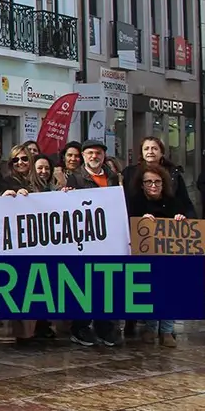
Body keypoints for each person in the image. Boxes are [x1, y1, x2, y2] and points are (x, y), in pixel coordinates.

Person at [60, 140, 120, 348]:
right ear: (84, 156)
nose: (94, 157)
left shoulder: (113, 178)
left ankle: (105, 326)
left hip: (108, 240)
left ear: (104, 156)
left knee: (106, 282)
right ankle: (81, 327)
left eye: (99, 153)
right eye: (90, 153)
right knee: (85, 283)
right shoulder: (75, 178)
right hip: (84, 241)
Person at [126, 164, 193, 347]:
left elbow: (186, 219)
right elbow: (128, 226)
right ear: (142, 184)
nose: (153, 185)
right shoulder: (135, 203)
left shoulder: (173, 202)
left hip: (170, 258)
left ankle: (166, 331)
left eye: (157, 182)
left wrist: (181, 219)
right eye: (148, 182)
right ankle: (150, 327)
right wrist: (142, 220)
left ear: (163, 184)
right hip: (145, 258)